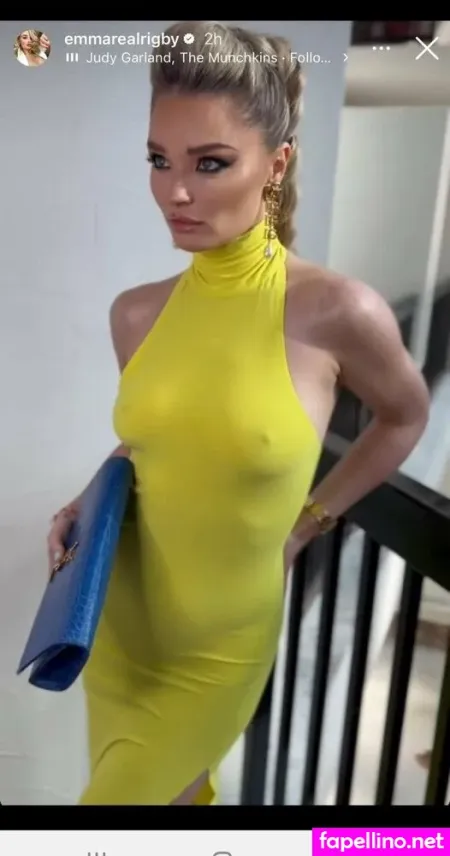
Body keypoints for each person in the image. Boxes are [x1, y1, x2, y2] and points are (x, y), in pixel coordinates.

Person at [47, 20, 429, 806]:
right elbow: (155, 445)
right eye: (159, 160)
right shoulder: (135, 315)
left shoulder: (337, 310)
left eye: (210, 162)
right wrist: (89, 497)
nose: (175, 192)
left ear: (275, 164)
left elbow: (405, 415)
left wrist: (309, 522)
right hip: (119, 623)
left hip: (219, 647)